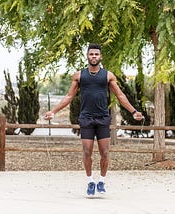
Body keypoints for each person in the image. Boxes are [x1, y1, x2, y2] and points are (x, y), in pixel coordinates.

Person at [44, 43, 143, 196]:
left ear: (100, 57)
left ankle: (101, 182)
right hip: (86, 118)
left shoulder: (108, 76)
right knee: (87, 151)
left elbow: (120, 95)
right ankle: (90, 181)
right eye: (91, 54)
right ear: (87, 56)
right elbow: (69, 96)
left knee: (104, 152)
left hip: (103, 118)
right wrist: (53, 112)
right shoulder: (79, 76)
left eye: (96, 54)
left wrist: (133, 111)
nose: (94, 56)